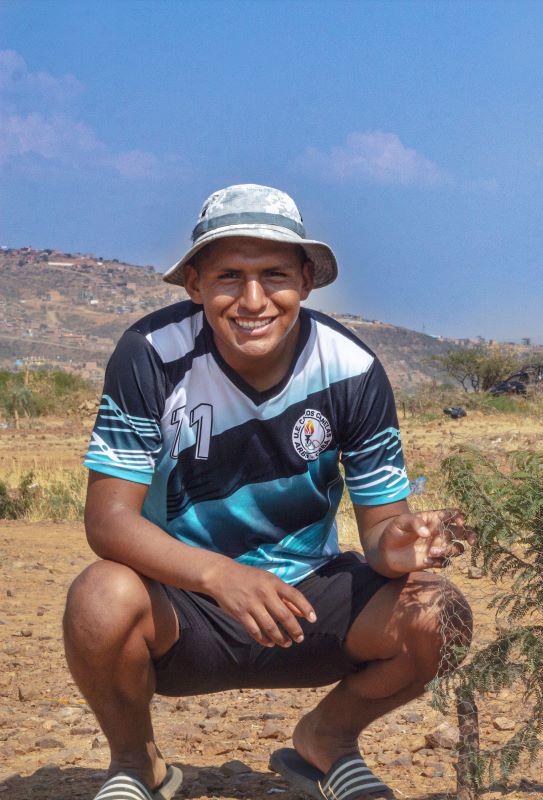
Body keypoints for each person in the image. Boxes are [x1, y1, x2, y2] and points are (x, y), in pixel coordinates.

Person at [65, 184, 472, 800]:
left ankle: (326, 742)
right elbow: (109, 522)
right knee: (99, 598)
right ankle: (135, 764)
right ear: (194, 283)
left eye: (274, 275)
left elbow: (382, 536)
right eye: (229, 276)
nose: (252, 300)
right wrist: (220, 576)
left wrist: (404, 543)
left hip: (304, 597)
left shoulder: (351, 369)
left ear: (306, 280)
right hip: (186, 602)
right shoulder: (150, 354)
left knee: (437, 614)